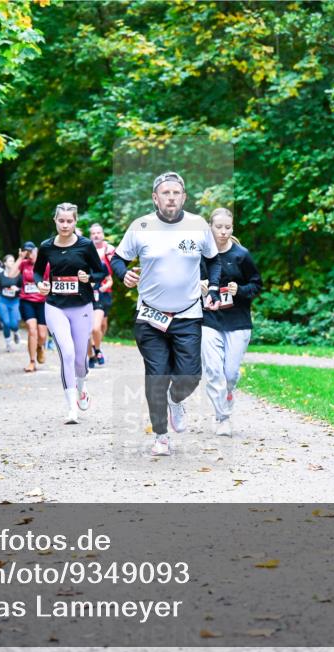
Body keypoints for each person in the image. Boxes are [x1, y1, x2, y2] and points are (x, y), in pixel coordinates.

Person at [110, 172, 222, 456]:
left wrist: (215, 288)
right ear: (155, 198)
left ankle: (176, 398)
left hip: (187, 314)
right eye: (165, 193)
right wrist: (124, 274)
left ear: (184, 197)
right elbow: (118, 259)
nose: (170, 197)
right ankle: (161, 435)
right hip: (150, 316)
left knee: (191, 376)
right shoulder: (141, 226)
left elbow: (214, 261)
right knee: (156, 375)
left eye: (176, 192)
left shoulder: (198, 225)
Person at [35, 203, 108, 424]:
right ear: (55, 221)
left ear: (75, 222)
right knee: (66, 354)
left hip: (82, 306)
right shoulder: (46, 246)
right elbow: (38, 271)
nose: (65, 225)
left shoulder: (85, 245)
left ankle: (82, 388)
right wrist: (41, 284)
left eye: (69, 221)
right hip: (55, 305)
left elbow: (101, 271)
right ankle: (71, 410)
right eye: (61, 220)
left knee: (79, 360)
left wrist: (89, 277)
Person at [199, 208, 262, 436]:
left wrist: (240, 290)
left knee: (230, 373)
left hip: (237, 321)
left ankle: (228, 395)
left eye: (228, 227)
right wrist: (199, 286)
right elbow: (185, 282)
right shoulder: (201, 255)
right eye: (219, 227)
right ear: (210, 227)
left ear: (232, 228)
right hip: (209, 320)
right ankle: (222, 417)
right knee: (214, 370)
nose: (223, 232)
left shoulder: (241, 255)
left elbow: (256, 285)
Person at [18, 242, 49, 372]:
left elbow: (51, 280)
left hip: (42, 302)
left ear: (37, 252)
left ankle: (39, 347)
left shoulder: (46, 265)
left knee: (42, 335)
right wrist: (20, 258)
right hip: (26, 301)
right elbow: (10, 275)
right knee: (32, 329)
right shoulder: (23, 264)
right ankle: (31, 361)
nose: (29, 255)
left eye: (31, 252)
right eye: (27, 252)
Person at [89, 223, 116, 368]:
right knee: (94, 326)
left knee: (103, 324)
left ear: (103, 234)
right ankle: (95, 349)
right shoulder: (87, 250)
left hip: (105, 291)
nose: (96, 235)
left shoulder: (109, 249)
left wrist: (106, 285)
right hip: (90, 293)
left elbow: (117, 265)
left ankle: (96, 344)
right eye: (93, 233)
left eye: (98, 233)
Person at [0, 254, 23, 352]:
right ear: (5, 263)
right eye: (10, 261)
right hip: (3, 301)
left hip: (14, 302)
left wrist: (17, 289)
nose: (12, 263)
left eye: (14, 261)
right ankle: (8, 343)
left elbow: (23, 289)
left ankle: (16, 332)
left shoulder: (18, 275)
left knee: (13, 324)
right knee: (6, 323)